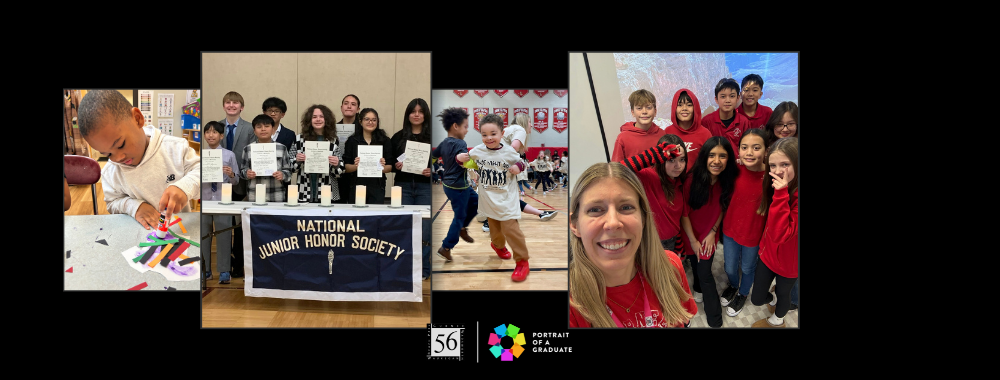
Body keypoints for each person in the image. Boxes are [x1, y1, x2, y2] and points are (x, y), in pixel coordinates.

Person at [568, 162, 697, 327]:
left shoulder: (670, 266)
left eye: (626, 207)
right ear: (575, 225)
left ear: (643, 218)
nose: (613, 223)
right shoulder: (572, 303)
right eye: (595, 210)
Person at [77, 90, 200, 227]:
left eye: (121, 145)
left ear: (137, 119)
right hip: (138, 235)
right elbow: (112, 203)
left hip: (179, 231)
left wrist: (185, 187)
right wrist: (134, 206)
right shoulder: (110, 172)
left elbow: (203, 173)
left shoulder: (176, 149)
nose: (118, 158)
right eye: (108, 154)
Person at [680, 136, 737, 327]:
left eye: (723, 156)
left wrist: (713, 231)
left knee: (705, 273)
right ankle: (696, 287)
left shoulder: (727, 181)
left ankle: (715, 319)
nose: (717, 161)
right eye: (712, 155)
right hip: (690, 233)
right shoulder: (691, 180)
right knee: (694, 263)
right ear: (704, 156)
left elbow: (722, 207)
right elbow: (684, 213)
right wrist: (693, 240)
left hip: (708, 234)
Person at [467, 114, 531, 281]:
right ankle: (498, 246)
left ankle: (522, 262)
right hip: (488, 201)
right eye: (484, 134)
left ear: (502, 133)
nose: (489, 138)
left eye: (493, 134)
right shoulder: (477, 151)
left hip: (507, 200)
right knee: (495, 234)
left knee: (511, 230)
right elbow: (469, 161)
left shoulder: (508, 151)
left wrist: (518, 167)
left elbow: (523, 162)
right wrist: (460, 160)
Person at [750, 137, 799, 328]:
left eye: (785, 164)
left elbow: (781, 234)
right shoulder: (774, 185)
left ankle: (777, 321)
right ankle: (772, 299)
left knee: (784, 295)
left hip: (790, 263)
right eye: (773, 165)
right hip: (768, 254)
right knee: (757, 297)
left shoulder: (783, 191)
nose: (778, 171)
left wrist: (781, 194)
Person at [720, 129, 769, 317]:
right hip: (730, 229)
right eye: (744, 147)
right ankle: (733, 285)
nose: (749, 153)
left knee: (748, 267)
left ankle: (743, 293)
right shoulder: (734, 169)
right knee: (729, 266)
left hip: (753, 234)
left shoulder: (770, 176)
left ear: (766, 151)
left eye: (756, 148)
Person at [389, 98, 433, 280]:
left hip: (425, 188)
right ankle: (403, 267)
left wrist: (433, 171)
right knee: (402, 227)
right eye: (413, 111)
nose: (416, 115)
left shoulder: (433, 137)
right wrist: (396, 165)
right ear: (407, 114)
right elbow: (389, 162)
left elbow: (443, 164)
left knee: (425, 230)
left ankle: (423, 269)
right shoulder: (398, 137)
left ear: (425, 115)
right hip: (403, 186)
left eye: (420, 111)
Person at [432, 108, 476, 262]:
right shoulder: (461, 143)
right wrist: (478, 164)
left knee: (477, 202)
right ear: (455, 126)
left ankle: (462, 228)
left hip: (450, 186)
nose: (467, 130)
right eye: (465, 126)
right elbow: (466, 162)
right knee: (459, 216)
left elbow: (433, 157)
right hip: (459, 187)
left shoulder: (443, 143)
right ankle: (446, 247)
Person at [219, 91, 255, 277]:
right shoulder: (216, 127)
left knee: (240, 226)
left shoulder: (249, 128)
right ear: (224, 105)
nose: (231, 105)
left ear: (242, 107)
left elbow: (252, 155)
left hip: (241, 182)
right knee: (223, 224)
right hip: (220, 184)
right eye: (228, 102)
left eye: (235, 103)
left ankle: (239, 264)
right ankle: (225, 263)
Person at [200, 121, 239, 283]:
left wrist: (231, 174)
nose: (211, 135)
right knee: (203, 236)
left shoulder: (229, 155)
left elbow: (236, 180)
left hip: (223, 201)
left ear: (221, 136)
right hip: (204, 201)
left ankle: (224, 270)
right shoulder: (199, 155)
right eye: (208, 132)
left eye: (215, 132)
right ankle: (205, 270)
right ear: (204, 135)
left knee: (224, 236)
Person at [292, 104, 345, 203]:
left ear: (327, 120)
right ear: (309, 120)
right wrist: (297, 161)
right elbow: (291, 168)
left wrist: (336, 164)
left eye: (321, 116)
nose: (318, 119)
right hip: (304, 191)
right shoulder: (299, 139)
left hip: (327, 191)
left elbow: (340, 171)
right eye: (314, 117)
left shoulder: (333, 140)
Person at [343, 108, 392, 204]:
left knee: (375, 212)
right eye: (367, 119)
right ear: (360, 121)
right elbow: (346, 167)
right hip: (357, 185)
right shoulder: (352, 141)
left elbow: (389, 167)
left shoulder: (385, 141)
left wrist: (381, 167)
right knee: (357, 212)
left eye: (374, 120)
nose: (370, 122)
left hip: (377, 186)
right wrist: (356, 166)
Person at [240, 114, 293, 203]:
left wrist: (282, 175)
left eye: (267, 126)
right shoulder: (248, 149)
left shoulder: (282, 148)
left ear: (273, 129)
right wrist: (247, 173)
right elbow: (242, 171)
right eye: (259, 127)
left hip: (276, 194)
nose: (263, 129)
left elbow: (289, 171)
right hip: (254, 194)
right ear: (254, 131)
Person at [663, 88, 711, 174]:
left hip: (697, 180)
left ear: (695, 108)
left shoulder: (705, 134)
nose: (684, 108)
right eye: (680, 105)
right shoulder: (667, 132)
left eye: (689, 105)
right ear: (674, 108)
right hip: (672, 181)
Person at [611, 89, 666, 162]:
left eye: (648, 107)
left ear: (655, 111)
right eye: (639, 108)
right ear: (632, 112)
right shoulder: (622, 138)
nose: (644, 112)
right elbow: (616, 167)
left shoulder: (662, 134)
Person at [701, 78, 750, 153]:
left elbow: (748, 147)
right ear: (716, 99)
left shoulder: (744, 122)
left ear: (738, 98)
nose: (727, 100)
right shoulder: (706, 121)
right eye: (723, 96)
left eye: (732, 96)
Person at [338, 95, 362, 204]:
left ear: (358, 109)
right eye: (346, 103)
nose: (349, 106)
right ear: (341, 107)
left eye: (353, 104)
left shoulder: (363, 129)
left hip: (357, 175)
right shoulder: (332, 128)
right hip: (338, 175)